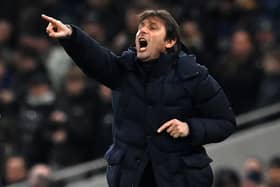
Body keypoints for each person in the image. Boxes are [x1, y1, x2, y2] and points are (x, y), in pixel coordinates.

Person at [42, 9, 236, 187]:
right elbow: (96, 58)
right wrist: (71, 36)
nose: (142, 32)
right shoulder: (123, 71)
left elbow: (225, 122)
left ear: (170, 42)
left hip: (179, 179)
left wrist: (189, 128)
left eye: (152, 28)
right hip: (132, 179)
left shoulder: (193, 76)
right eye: (140, 28)